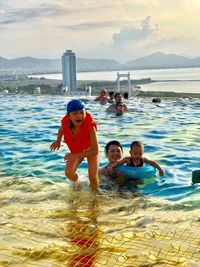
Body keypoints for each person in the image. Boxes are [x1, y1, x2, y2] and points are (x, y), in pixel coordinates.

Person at [50, 99, 99, 191]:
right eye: (75, 114)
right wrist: (58, 141)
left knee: (92, 177)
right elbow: (61, 130)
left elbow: (95, 150)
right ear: (69, 116)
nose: (79, 116)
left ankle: (95, 196)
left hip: (90, 149)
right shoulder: (66, 123)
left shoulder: (90, 127)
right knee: (69, 173)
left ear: (85, 112)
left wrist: (75, 155)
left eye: (81, 112)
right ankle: (78, 183)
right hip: (77, 148)